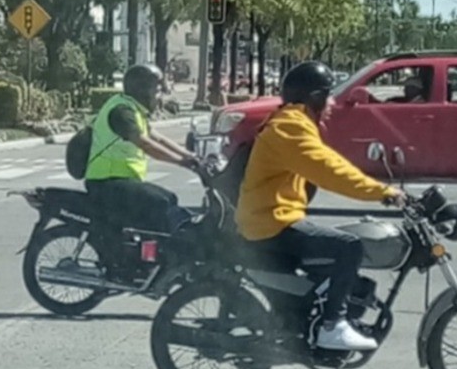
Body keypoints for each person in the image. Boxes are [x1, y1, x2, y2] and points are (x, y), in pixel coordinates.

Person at [236, 61, 404, 352]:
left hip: (274, 217)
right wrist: (382, 192)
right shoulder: (290, 126)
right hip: (270, 222)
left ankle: (314, 315)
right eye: (328, 96)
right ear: (313, 96)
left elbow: (329, 160)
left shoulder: (296, 123)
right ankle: (332, 325)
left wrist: (381, 189)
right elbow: (328, 170)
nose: (332, 103)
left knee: (332, 246)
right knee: (348, 246)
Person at [85, 64, 198, 235]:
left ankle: (144, 255)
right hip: (106, 182)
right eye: (156, 91)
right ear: (142, 90)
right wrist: (182, 162)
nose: (158, 96)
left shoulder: (134, 109)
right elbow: (145, 144)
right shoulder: (122, 112)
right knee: (161, 202)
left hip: (121, 180)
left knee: (167, 200)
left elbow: (157, 137)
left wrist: (190, 156)